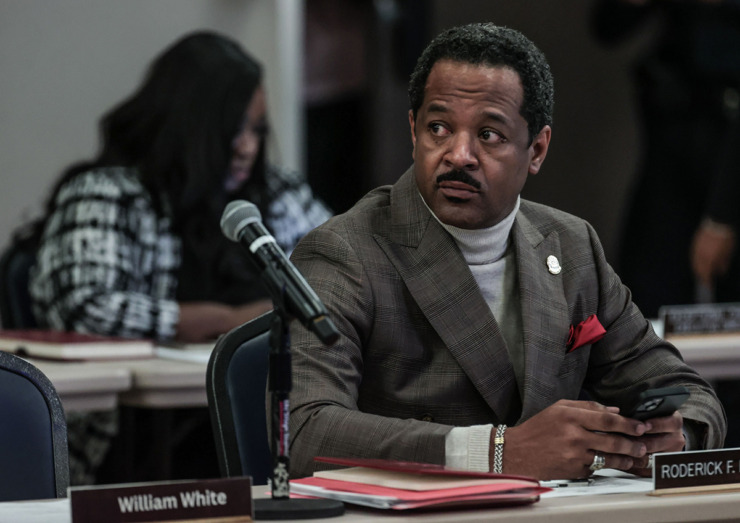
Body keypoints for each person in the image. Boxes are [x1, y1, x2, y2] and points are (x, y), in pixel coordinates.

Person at [285, 22, 726, 481]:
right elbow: (304, 430)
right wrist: (497, 452)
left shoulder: (572, 245)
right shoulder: (344, 252)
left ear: (536, 149)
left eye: (489, 135)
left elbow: (683, 390)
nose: (459, 154)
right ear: (413, 130)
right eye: (438, 128)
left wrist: (675, 436)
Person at [25, 31, 331, 484]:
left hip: (265, 414)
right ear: (191, 124)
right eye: (234, 130)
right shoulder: (110, 193)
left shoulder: (276, 192)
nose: (248, 146)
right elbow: (84, 307)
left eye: (257, 130)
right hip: (132, 440)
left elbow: (339, 273)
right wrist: (228, 318)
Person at [592, 0, 740, 317]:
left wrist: (721, 216)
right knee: (647, 296)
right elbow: (607, 27)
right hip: (674, 138)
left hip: (729, 144)